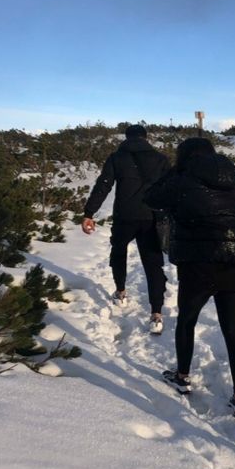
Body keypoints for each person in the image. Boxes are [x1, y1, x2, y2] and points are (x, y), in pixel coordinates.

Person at [145, 137, 235, 417]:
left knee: (187, 321)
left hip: (198, 265)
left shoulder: (181, 180)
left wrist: (173, 171)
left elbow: (151, 197)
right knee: (234, 331)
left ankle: (182, 377)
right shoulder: (231, 179)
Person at [82, 124, 170, 334]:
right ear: (146, 137)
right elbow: (170, 189)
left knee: (119, 252)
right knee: (153, 264)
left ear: (126, 137)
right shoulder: (160, 159)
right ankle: (156, 314)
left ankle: (121, 292)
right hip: (151, 217)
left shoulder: (117, 158)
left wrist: (89, 212)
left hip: (124, 216)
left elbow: (103, 185)